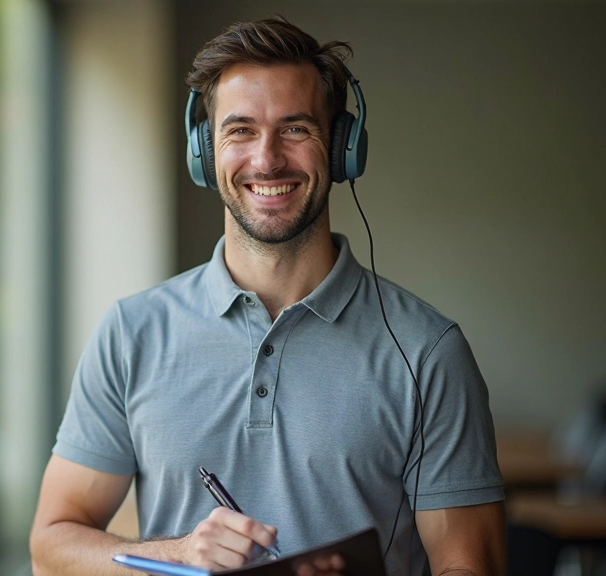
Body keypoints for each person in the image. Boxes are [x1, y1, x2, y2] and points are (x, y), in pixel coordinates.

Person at [30, 16, 505, 576]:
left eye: (296, 129)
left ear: (341, 145)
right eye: (240, 131)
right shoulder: (131, 333)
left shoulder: (427, 351)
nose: (267, 159)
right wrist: (179, 556)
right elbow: (51, 549)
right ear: (205, 152)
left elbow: (469, 566)